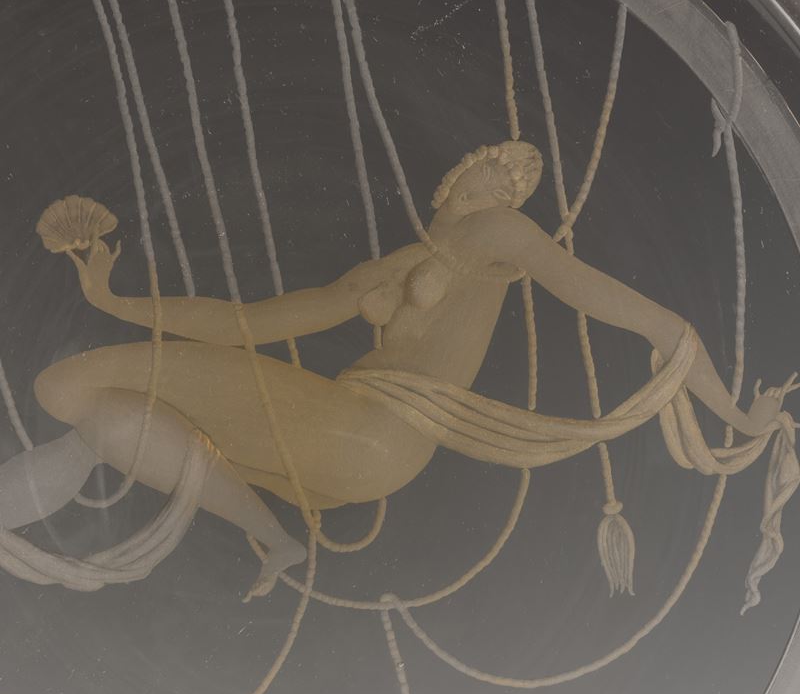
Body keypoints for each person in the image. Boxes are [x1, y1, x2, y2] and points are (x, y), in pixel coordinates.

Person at [2, 140, 794, 595]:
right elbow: (248, 323)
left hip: (373, 428)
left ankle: (271, 532)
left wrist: (738, 417)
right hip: (348, 449)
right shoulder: (394, 265)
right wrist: (116, 301)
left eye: (519, 183)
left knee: (62, 385)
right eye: (498, 167)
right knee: (103, 420)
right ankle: (272, 535)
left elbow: (643, 315)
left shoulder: (500, 237)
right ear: (456, 174)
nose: (511, 183)